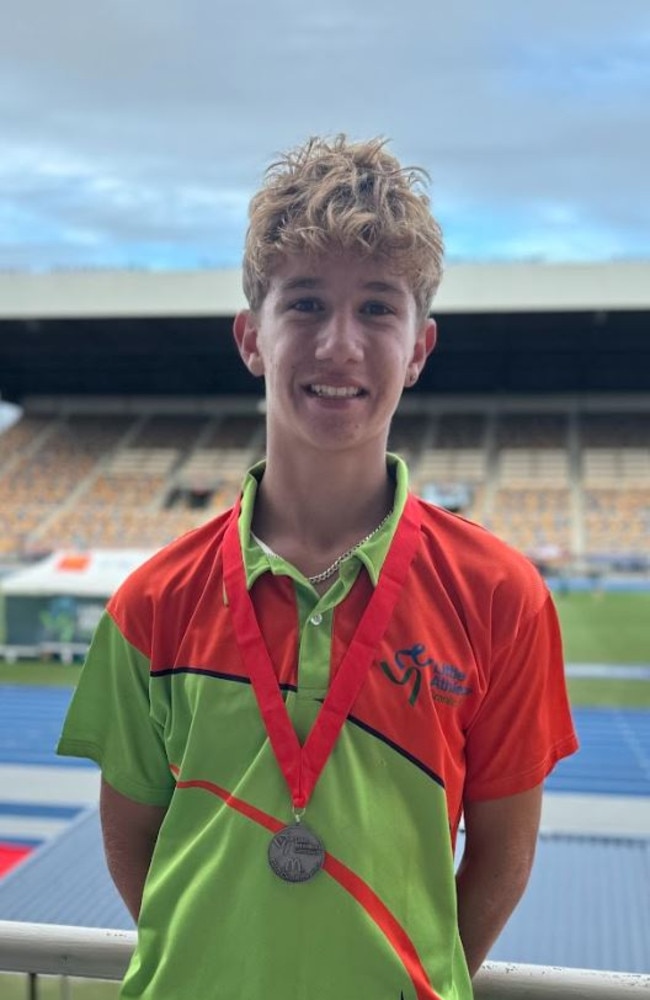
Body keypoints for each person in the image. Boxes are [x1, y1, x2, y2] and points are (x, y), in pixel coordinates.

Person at [57, 135, 578, 1000]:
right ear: (251, 339)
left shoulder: (501, 597)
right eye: (304, 305)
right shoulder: (152, 603)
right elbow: (134, 849)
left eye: (378, 309)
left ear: (419, 349)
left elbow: (502, 858)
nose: (340, 345)